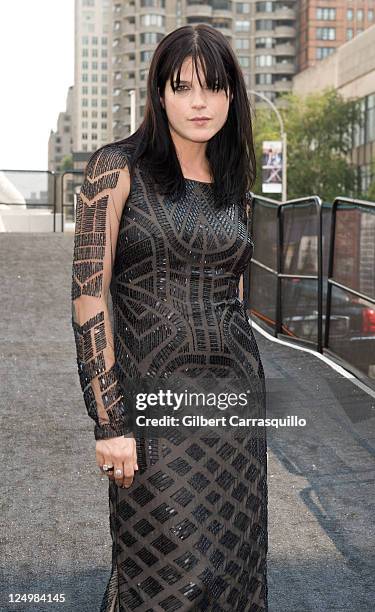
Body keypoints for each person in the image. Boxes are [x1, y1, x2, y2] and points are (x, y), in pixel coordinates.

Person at [71, 23, 268, 612]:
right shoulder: (116, 167)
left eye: (214, 88)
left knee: (234, 571)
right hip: (153, 409)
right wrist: (109, 421)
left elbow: (233, 294)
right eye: (183, 88)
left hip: (235, 410)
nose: (200, 103)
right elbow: (88, 296)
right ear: (160, 94)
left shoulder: (237, 183)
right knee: (164, 578)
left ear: (232, 96)